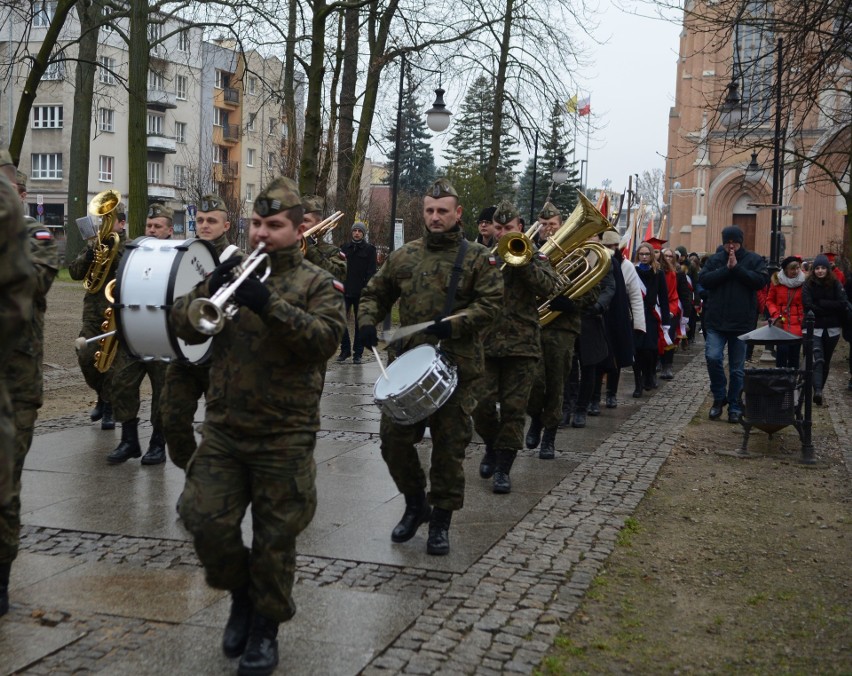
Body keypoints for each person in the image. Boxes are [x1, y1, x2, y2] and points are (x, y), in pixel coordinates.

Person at [171, 177, 345, 675]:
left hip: (284, 434)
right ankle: (240, 593)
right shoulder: (229, 273)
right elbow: (184, 322)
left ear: (297, 229)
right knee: (202, 519)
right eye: (255, 224)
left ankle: (265, 627)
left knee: (275, 539)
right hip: (225, 428)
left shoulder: (315, 282)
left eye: (273, 226)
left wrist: (267, 303)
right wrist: (210, 287)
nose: (261, 234)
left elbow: (324, 340)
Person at [358, 178, 502, 555]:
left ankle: (440, 521)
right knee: (393, 442)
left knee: (449, 449)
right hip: (407, 366)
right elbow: (375, 292)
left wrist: (455, 323)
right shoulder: (405, 256)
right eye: (429, 211)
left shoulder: (476, 258)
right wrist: (367, 322)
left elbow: (491, 307)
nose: (435, 217)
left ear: (458, 213)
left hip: (455, 370)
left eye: (443, 211)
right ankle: (414, 502)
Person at [471, 201, 557, 493]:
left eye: (508, 228)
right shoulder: (481, 257)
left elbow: (551, 288)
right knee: (479, 405)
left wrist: (524, 263)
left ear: (520, 228)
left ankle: (504, 469)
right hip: (486, 343)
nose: (502, 233)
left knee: (514, 410)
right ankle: (493, 447)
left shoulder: (537, 255)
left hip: (522, 347)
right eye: (498, 228)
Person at [160, 194, 236, 473]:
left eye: (212, 221)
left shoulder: (234, 258)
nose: (205, 225)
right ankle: (195, 473)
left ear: (226, 226)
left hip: (220, 357)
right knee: (172, 420)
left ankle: (212, 485)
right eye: (201, 220)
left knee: (219, 429)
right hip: (186, 353)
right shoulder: (182, 253)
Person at [107, 204, 174, 465]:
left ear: (169, 230)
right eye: (149, 226)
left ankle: (158, 443)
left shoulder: (175, 252)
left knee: (162, 391)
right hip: (134, 330)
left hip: (162, 334)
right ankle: (129, 440)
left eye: (158, 227)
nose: (152, 230)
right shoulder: (133, 250)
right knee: (121, 383)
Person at [0, 151, 37, 616]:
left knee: (7, 484)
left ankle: (2, 574)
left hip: (18, 373)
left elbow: (39, 282)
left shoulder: (37, 236)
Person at [525, 203, 583, 458]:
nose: (547, 229)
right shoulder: (527, 252)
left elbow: (591, 288)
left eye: (552, 225)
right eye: (543, 225)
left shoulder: (576, 252)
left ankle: (549, 435)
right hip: (533, 325)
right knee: (534, 382)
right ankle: (536, 419)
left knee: (557, 382)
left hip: (561, 328)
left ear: (561, 226)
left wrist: (571, 303)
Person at [698, 225, 769, 423]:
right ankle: (719, 398)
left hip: (741, 323)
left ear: (740, 242)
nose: (731, 246)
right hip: (716, 321)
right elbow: (704, 279)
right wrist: (726, 270)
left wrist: (737, 269)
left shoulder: (753, 259)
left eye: (734, 242)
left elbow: (760, 281)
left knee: (737, 368)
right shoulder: (715, 260)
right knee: (713, 358)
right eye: (728, 242)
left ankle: (735, 404)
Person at [68, 199, 127, 430]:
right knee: (85, 356)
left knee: (111, 363)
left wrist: (114, 255)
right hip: (93, 312)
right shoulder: (95, 244)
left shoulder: (129, 246)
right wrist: (90, 255)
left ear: (121, 224)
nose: (104, 225)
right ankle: (102, 396)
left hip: (117, 313)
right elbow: (74, 272)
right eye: (103, 220)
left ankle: (110, 407)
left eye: (109, 221)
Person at [802, 253, 848, 405]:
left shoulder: (835, 284)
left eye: (823, 268)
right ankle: (817, 390)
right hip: (814, 327)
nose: (820, 271)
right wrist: (828, 307)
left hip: (832, 328)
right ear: (813, 270)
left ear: (828, 270)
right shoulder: (808, 284)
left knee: (826, 360)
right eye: (817, 268)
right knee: (817, 358)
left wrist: (822, 304)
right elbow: (808, 305)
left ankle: (819, 389)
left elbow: (842, 303)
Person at [633, 241, 671, 396]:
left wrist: (666, 323)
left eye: (647, 254)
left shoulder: (658, 273)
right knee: (636, 351)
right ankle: (638, 383)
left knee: (650, 350)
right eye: (641, 254)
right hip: (636, 314)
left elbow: (663, 298)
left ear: (651, 255)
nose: (644, 257)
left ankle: (649, 375)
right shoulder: (632, 271)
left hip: (651, 315)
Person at [337, 221, 377, 364]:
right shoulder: (344, 248)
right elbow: (339, 268)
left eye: (360, 231)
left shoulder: (370, 250)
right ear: (352, 232)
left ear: (363, 233)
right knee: (339, 319)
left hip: (361, 292)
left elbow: (372, 271)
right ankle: (345, 349)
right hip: (345, 290)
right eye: (355, 231)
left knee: (360, 324)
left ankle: (357, 354)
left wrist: (367, 288)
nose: (357, 233)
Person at [765, 256, 805, 369]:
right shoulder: (777, 282)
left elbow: (806, 302)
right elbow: (770, 300)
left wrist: (802, 316)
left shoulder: (803, 282)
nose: (796, 271)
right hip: (781, 323)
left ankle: (792, 382)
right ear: (786, 270)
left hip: (797, 324)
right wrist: (775, 314)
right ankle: (780, 380)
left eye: (797, 268)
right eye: (792, 269)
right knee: (782, 353)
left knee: (794, 356)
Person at [301, 195, 346, 281]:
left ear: (319, 224)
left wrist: (309, 248)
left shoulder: (331, 251)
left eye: (305, 220)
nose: (300, 224)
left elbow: (339, 276)